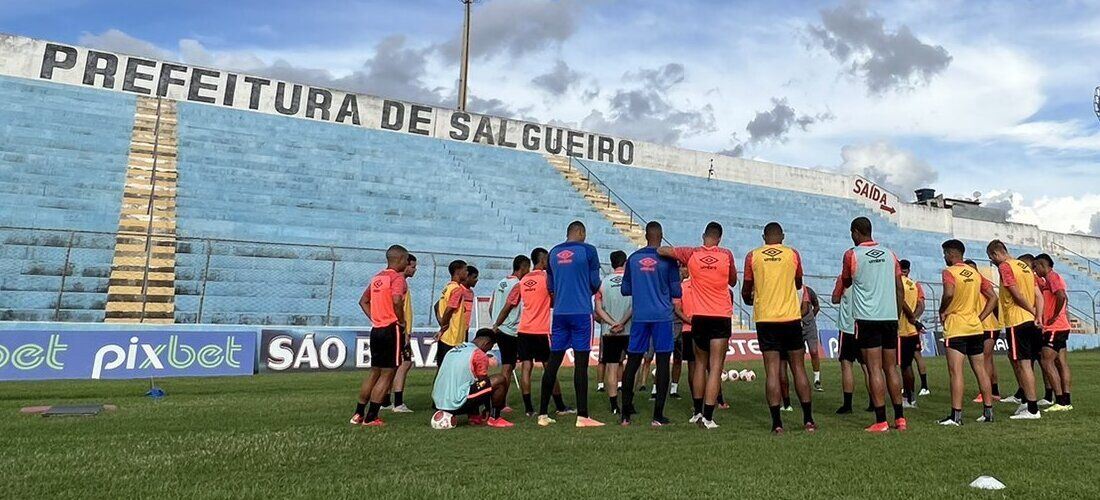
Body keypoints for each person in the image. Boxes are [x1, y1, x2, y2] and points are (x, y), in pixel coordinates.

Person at [658, 221, 738, 429]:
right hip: (720, 315)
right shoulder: (726, 254)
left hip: (699, 317)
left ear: (704, 236)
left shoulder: (691, 253)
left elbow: (662, 250)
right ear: (719, 238)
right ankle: (709, 418)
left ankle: (697, 411)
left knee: (699, 365)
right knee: (716, 367)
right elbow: (733, 281)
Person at [840, 217, 914, 432]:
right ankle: (900, 418)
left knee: (874, 369)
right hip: (889, 318)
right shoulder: (890, 255)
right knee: (891, 368)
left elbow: (846, 281)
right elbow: (899, 288)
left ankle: (881, 420)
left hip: (867, 318)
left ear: (855, 232)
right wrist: (897, 313)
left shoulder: (852, 254)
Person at [743, 222, 815, 433]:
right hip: (790, 318)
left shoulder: (753, 256)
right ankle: (808, 420)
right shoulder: (792, 254)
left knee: (772, 371)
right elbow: (799, 282)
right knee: (798, 369)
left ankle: (777, 423)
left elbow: (747, 288)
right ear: (782, 236)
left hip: (766, 319)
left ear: (763, 236)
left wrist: (750, 298)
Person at [493, 248, 572, 417]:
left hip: (523, 330)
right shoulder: (547, 278)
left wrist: (497, 324)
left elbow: (509, 305)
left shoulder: (522, 281)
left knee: (526, 368)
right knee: (549, 369)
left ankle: (529, 409)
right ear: (543, 260)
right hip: (540, 330)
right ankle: (560, 405)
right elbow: (555, 300)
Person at [542, 221, 604, 428]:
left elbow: (550, 286)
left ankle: (542, 414)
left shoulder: (553, 253)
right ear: (580, 232)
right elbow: (595, 282)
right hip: (581, 311)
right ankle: (583, 416)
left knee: (553, 362)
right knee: (581, 364)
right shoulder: (588, 250)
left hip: (560, 312)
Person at [620, 221, 682, 426]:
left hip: (640, 315)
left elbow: (625, 289)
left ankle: (625, 415)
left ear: (646, 236)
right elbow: (676, 292)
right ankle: (657, 416)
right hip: (662, 316)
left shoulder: (633, 259)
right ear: (661, 236)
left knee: (634, 361)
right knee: (663, 361)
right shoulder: (668, 260)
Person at [937, 240, 997, 425]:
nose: (944, 257)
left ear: (951, 253)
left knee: (956, 372)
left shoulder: (950, 272)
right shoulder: (976, 274)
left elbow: (948, 293)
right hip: (975, 326)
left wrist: (943, 309)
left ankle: (956, 416)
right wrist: (980, 317)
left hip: (956, 326)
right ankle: (988, 413)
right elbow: (993, 297)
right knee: (980, 370)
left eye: (945, 253)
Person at [351, 245, 410, 427]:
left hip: (376, 329)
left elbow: (363, 301)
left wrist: (375, 317)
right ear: (400, 259)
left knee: (374, 372)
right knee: (388, 373)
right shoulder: (397, 279)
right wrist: (401, 321)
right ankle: (372, 417)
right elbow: (396, 300)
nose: (407, 264)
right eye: (406, 260)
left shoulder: (378, 278)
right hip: (391, 329)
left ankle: (358, 414)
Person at [986, 240, 1043, 419]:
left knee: (1023, 365)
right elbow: (1038, 295)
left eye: (991, 258)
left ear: (996, 253)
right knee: (1024, 364)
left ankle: (1032, 409)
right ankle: (1027, 402)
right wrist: (1038, 315)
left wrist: (1031, 311)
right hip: (1031, 321)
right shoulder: (1025, 267)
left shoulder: (1005, 267)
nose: (992, 262)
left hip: (1017, 320)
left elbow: (1016, 294)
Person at [431, 329, 512, 428]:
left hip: (438, 403)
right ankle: (494, 418)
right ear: (487, 343)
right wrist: (488, 408)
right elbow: (484, 384)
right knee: (499, 379)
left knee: (469, 384)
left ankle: (473, 415)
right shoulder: (479, 354)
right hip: (456, 403)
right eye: (489, 347)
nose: (487, 350)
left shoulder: (453, 350)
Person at [488, 255, 531, 415]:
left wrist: (495, 322)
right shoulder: (517, 285)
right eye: (528, 268)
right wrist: (499, 323)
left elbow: (492, 306)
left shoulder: (500, 282)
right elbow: (508, 306)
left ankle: (500, 399)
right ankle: (501, 401)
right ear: (523, 267)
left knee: (509, 364)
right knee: (507, 366)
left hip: (500, 329)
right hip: (509, 329)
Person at [1032, 254, 1073, 412]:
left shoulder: (1052, 277)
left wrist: (1055, 316)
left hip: (1055, 328)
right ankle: (1066, 400)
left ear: (1043, 265)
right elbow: (1065, 297)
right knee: (1060, 363)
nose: (1035, 271)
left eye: (1036, 267)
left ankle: (1061, 401)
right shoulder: (1054, 278)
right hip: (1061, 326)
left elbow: (1061, 296)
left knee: (1046, 361)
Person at [595, 250, 632, 415]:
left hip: (609, 331)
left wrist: (612, 323)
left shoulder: (603, 283)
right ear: (625, 262)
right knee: (631, 365)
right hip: (628, 329)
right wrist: (622, 322)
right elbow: (634, 306)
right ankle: (628, 402)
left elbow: (597, 309)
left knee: (610, 367)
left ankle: (614, 405)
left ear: (611, 263)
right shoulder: (632, 281)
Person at [384, 253, 417, 413]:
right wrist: (404, 328)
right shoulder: (399, 281)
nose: (414, 270)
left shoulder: (395, 281)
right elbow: (397, 304)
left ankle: (385, 400)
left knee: (393, 365)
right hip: (400, 330)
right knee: (404, 363)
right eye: (412, 266)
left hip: (396, 329)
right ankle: (398, 403)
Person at [831, 275, 868, 414]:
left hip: (848, 327)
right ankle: (874, 402)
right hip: (865, 324)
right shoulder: (867, 276)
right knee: (869, 367)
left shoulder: (844, 278)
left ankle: (847, 405)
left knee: (846, 365)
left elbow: (835, 299)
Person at [967, 259, 1002, 403]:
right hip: (979, 326)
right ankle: (994, 391)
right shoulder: (970, 284)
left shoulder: (981, 281)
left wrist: (985, 318)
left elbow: (994, 301)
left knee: (985, 359)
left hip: (988, 326)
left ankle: (985, 392)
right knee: (988, 359)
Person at [897, 259, 925, 407]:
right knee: (908, 364)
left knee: (903, 366)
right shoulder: (913, 284)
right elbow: (921, 304)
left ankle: (906, 397)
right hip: (912, 330)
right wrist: (915, 317)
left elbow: (901, 302)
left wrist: (911, 317)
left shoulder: (898, 283)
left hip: (901, 330)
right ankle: (911, 396)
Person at [436, 260, 470, 365]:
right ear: (458, 271)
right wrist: (444, 325)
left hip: (446, 336)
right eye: (465, 270)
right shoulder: (457, 289)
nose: (467, 273)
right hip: (453, 337)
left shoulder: (447, 288)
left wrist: (441, 323)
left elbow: (437, 306)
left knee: (442, 368)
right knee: (450, 368)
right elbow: (449, 309)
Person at [800, 285, 824, 392]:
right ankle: (801, 379)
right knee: (798, 355)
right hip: (796, 327)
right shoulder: (789, 290)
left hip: (809, 326)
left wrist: (810, 318)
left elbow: (817, 306)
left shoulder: (809, 291)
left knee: (814, 351)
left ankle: (817, 379)